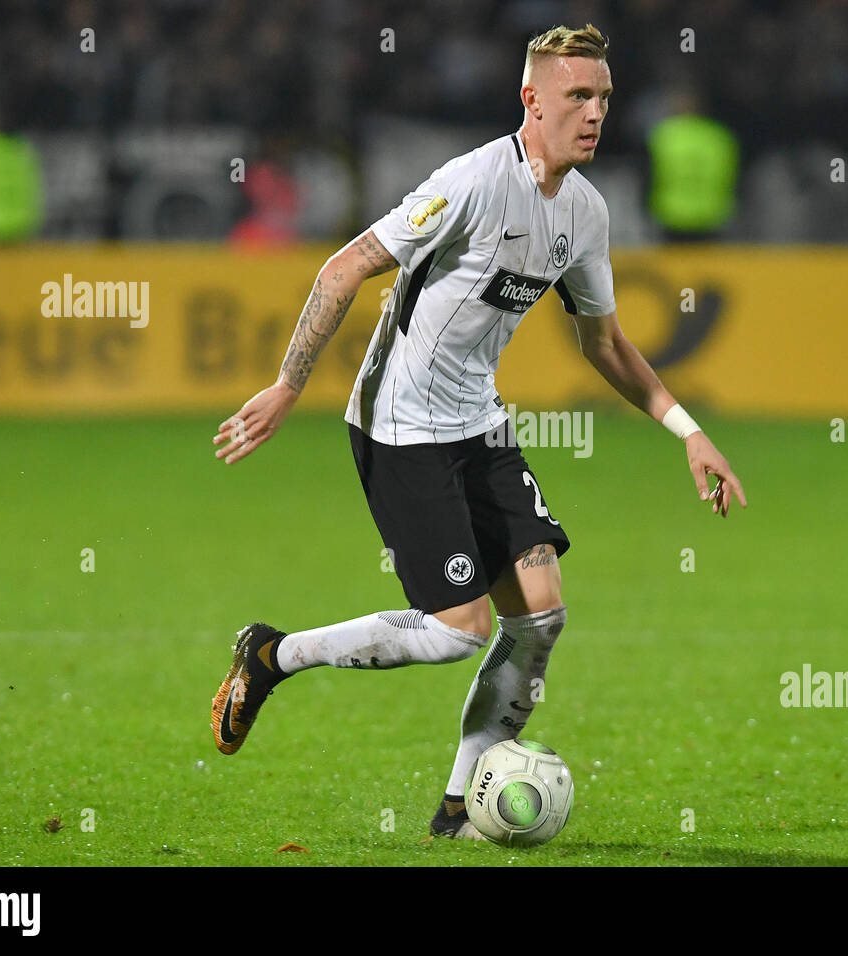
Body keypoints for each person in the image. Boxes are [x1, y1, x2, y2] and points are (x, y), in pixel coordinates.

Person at [208, 23, 746, 839]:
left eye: (603, 97)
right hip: (399, 424)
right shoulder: (471, 182)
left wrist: (687, 431)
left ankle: (459, 809)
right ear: (531, 100)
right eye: (577, 96)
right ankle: (273, 655)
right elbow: (345, 265)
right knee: (458, 631)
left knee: (540, 614)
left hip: (478, 423)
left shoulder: (586, 214)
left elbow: (602, 341)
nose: (595, 112)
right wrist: (289, 384)